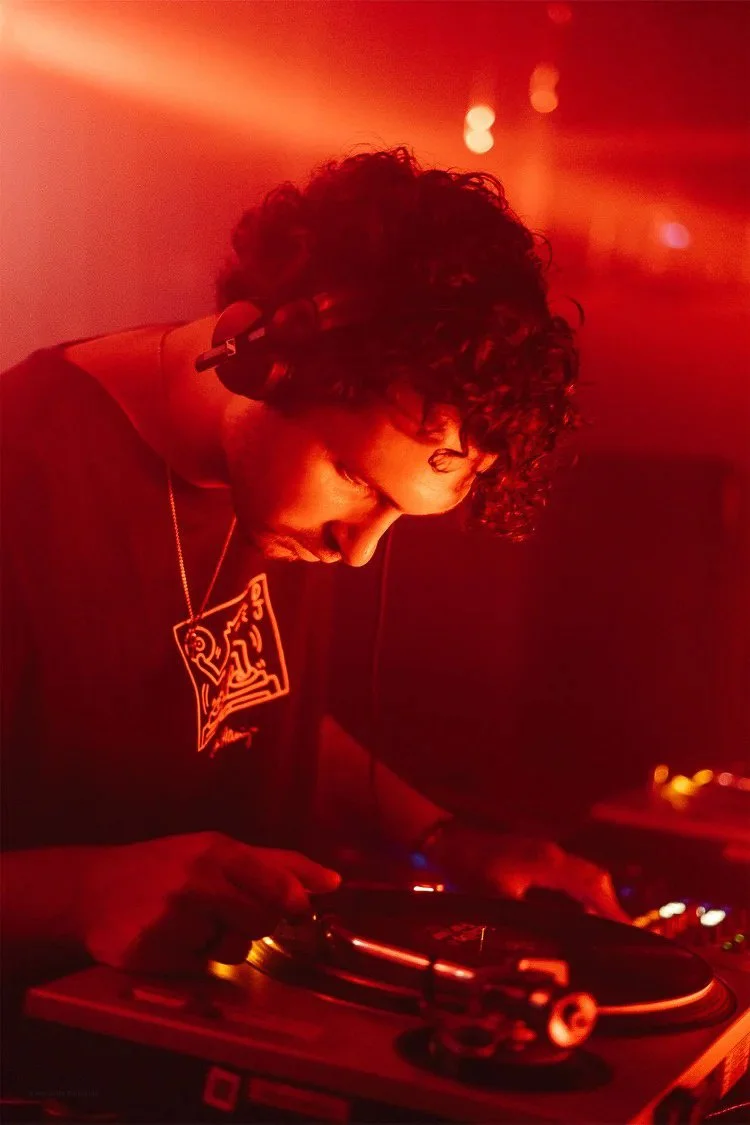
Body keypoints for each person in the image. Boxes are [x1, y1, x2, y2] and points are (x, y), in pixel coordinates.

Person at [1, 147, 628, 999]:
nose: (360, 547)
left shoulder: (286, 506)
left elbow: (247, 704)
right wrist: (83, 892)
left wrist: (445, 837)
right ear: (254, 355)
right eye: (358, 480)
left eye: (400, 513)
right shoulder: (21, 477)